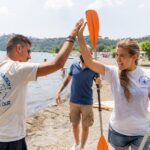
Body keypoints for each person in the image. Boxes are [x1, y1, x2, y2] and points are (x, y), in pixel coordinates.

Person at [0, 18, 84, 150]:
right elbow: (57, 64)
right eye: (29, 51)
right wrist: (72, 36)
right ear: (19, 48)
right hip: (12, 138)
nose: (30, 57)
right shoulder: (16, 69)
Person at [77, 22, 150, 150]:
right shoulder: (112, 72)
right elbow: (88, 61)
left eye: (122, 56)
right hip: (118, 130)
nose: (118, 59)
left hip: (142, 131)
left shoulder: (147, 74)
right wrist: (80, 36)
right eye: (116, 55)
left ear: (135, 56)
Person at [55, 45, 100, 150]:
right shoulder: (74, 65)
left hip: (87, 102)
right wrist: (59, 92)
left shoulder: (94, 67)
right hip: (73, 101)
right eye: (82, 51)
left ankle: (82, 147)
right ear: (80, 53)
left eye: (87, 52)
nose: (84, 53)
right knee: (74, 125)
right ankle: (76, 144)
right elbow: (67, 79)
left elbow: (99, 84)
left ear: (91, 54)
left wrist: (99, 83)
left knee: (85, 127)